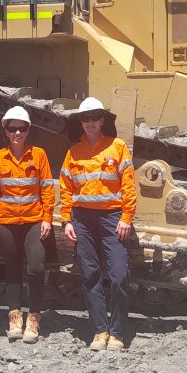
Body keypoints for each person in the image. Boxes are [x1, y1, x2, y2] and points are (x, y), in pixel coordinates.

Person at [59, 97, 136, 351]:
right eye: (85, 118)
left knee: (119, 275)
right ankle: (100, 330)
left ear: (103, 120)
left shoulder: (117, 147)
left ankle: (117, 332)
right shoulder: (73, 152)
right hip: (82, 220)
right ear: (80, 123)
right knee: (90, 275)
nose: (90, 122)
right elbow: (66, 188)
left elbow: (128, 186)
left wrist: (126, 217)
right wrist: (66, 221)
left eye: (94, 117)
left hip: (112, 219)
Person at [0, 106, 56, 343]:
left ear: (28, 130)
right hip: (5, 222)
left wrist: (47, 218)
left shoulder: (39, 155)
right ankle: (15, 315)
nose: (17, 133)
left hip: (33, 221)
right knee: (12, 268)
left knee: (35, 267)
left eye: (21, 128)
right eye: (12, 128)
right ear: (5, 130)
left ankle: (34, 316)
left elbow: (46, 188)